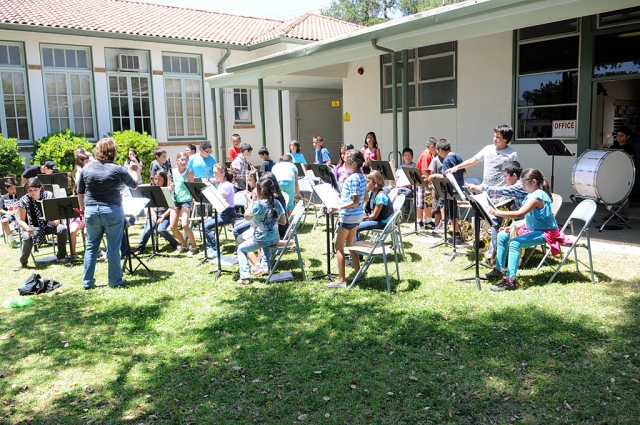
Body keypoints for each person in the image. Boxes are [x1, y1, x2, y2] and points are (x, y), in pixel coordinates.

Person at [77, 137, 139, 289]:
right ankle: (115, 280)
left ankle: (87, 281)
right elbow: (134, 185)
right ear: (114, 151)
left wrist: (82, 210)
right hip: (112, 209)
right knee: (113, 247)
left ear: (97, 150)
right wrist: (136, 171)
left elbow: (80, 192)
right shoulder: (117, 169)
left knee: (91, 246)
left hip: (91, 209)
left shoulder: (87, 168)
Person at [484, 168, 559, 291]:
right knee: (502, 235)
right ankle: (499, 270)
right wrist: (516, 226)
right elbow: (528, 216)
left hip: (546, 232)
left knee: (515, 243)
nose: (522, 186)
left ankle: (510, 281)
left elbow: (519, 214)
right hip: (533, 229)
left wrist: (496, 212)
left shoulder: (538, 197)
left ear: (533, 182)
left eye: (524, 183)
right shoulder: (532, 194)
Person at [466, 161, 528, 254]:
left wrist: (479, 188)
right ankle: (495, 247)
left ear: (514, 176)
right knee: (495, 219)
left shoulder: (520, 186)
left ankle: (498, 250)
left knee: (499, 220)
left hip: (526, 218)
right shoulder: (515, 186)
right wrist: (483, 202)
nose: (504, 179)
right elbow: (503, 198)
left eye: (505, 176)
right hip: (520, 216)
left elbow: (502, 191)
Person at [236, 174, 286, 285]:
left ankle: (245, 277)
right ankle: (265, 267)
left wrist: (251, 202)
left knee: (241, 249)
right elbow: (283, 222)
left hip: (260, 239)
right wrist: (271, 220)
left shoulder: (256, 205)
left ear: (262, 191)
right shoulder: (277, 203)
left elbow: (246, 217)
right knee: (265, 241)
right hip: (275, 238)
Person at [327, 149, 366, 288]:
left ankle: (341, 279)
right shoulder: (362, 177)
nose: (344, 162)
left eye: (346, 160)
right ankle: (358, 274)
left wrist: (339, 207)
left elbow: (355, 201)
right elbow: (364, 198)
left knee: (339, 246)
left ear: (353, 163)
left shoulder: (352, 178)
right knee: (351, 245)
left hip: (348, 217)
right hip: (356, 216)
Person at [14, 178, 69, 271]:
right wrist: (27, 228)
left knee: (62, 229)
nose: (33, 193)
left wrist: (57, 220)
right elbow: (20, 220)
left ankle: (61, 256)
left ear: (40, 188)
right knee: (27, 237)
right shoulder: (23, 201)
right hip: (33, 227)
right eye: (30, 190)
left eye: (35, 190)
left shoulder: (49, 195)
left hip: (48, 224)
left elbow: (57, 212)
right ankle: (23, 262)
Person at [448, 124, 518, 187]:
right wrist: (456, 168)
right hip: (485, 189)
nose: (494, 139)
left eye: (498, 137)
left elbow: (514, 176)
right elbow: (473, 160)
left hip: (501, 191)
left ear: (506, 139)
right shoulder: (488, 148)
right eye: (494, 136)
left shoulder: (512, 154)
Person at [135, 171, 181, 255]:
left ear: (164, 180)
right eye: (155, 179)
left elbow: (172, 207)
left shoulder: (168, 190)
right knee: (148, 229)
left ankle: (175, 244)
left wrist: (163, 216)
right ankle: (140, 248)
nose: (157, 181)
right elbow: (151, 205)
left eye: (160, 179)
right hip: (155, 215)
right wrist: (153, 214)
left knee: (161, 229)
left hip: (166, 215)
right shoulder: (152, 190)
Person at [431, 139, 465, 244]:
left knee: (451, 213)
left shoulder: (446, 160)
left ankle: (456, 236)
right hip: (458, 189)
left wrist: (435, 175)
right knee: (450, 210)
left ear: (440, 150)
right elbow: (464, 173)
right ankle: (454, 232)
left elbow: (447, 177)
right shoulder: (458, 156)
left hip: (449, 190)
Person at [601, 126, 635, 223]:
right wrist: (603, 151)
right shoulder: (613, 147)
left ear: (627, 137)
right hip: (613, 174)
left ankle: (623, 215)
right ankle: (611, 213)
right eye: (617, 136)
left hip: (625, 174)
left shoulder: (629, 147)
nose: (619, 138)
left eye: (622, 136)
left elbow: (632, 160)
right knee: (611, 193)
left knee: (623, 195)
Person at [204, 164, 236, 259]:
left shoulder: (226, 186)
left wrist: (210, 189)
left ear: (223, 173)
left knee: (206, 227)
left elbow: (220, 201)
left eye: (215, 173)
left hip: (228, 214)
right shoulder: (222, 184)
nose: (214, 175)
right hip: (223, 213)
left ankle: (215, 249)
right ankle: (211, 247)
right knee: (204, 224)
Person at [171, 152, 197, 254]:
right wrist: (169, 188)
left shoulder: (189, 173)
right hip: (174, 200)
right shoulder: (171, 172)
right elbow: (169, 186)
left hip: (186, 200)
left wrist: (192, 200)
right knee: (173, 226)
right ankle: (184, 244)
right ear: (177, 161)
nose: (184, 162)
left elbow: (192, 187)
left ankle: (194, 245)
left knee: (185, 224)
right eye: (182, 160)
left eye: (186, 160)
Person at [356, 170, 393, 241]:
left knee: (355, 227)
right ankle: (354, 245)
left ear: (375, 182)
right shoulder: (371, 194)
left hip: (383, 223)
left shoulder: (380, 196)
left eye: (368, 182)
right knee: (353, 223)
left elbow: (374, 216)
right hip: (376, 220)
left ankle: (355, 247)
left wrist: (362, 218)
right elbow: (365, 205)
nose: (366, 184)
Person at [416, 138, 437, 229]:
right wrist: (431, 181)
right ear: (432, 146)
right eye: (436, 147)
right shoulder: (426, 156)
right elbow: (424, 171)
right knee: (421, 204)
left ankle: (428, 221)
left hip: (427, 183)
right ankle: (418, 221)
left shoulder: (429, 155)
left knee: (429, 203)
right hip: (423, 183)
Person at [1, 179, 20, 248]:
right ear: (6, 188)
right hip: (9, 214)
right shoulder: (3, 198)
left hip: (20, 213)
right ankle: (11, 240)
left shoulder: (20, 195)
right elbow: (0, 209)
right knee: (4, 221)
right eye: (11, 188)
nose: (14, 190)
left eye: (15, 188)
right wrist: (8, 212)